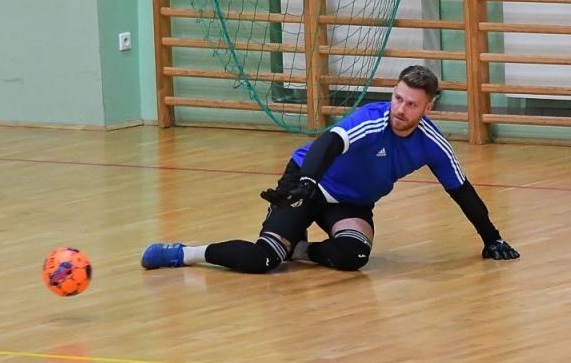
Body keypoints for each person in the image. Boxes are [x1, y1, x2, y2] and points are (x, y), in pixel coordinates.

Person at [141, 65, 520, 274]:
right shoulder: (372, 120)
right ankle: (184, 253)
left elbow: (461, 190)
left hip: (350, 204)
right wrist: (306, 182)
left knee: (353, 257)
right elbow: (329, 142)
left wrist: (492, 238)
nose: (400, 110)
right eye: (397, 98)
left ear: (428, 108)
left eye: (411, 105)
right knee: (264, 259)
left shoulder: (431, 142)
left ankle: (301, 249)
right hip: (309, 181)